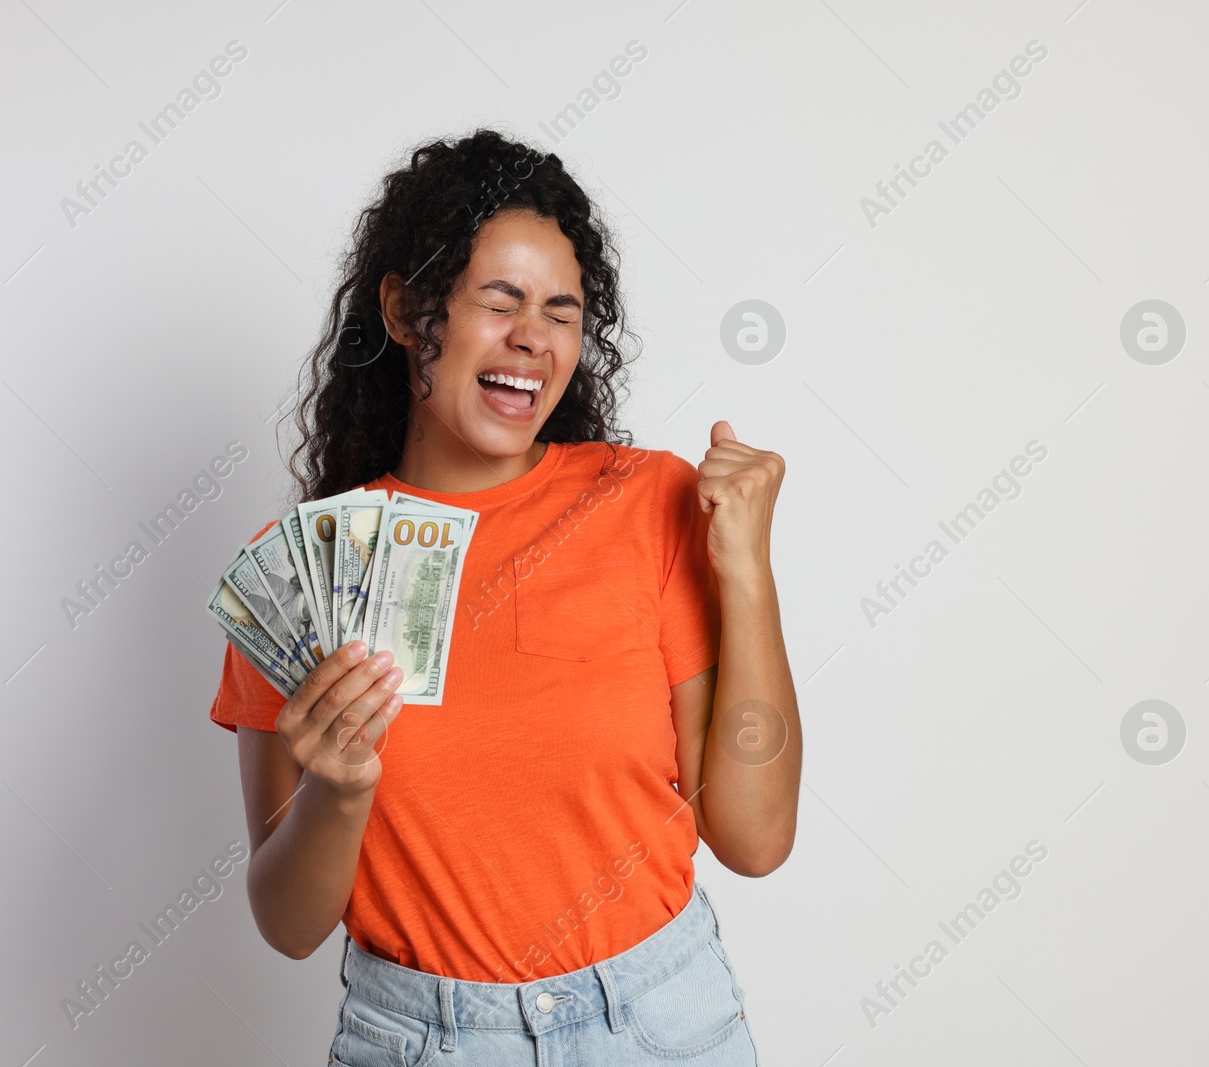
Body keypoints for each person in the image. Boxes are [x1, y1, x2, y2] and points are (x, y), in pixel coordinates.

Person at [207, 128, 800, 1065]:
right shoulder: (306, 576)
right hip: (421, 1038)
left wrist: (748, 572)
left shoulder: (646, 501)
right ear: (405, 311)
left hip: (660, 1023)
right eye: (500, 299)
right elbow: (287, 922)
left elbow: (756, 837)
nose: (532, 335)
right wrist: (341, 785)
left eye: (561, 310)